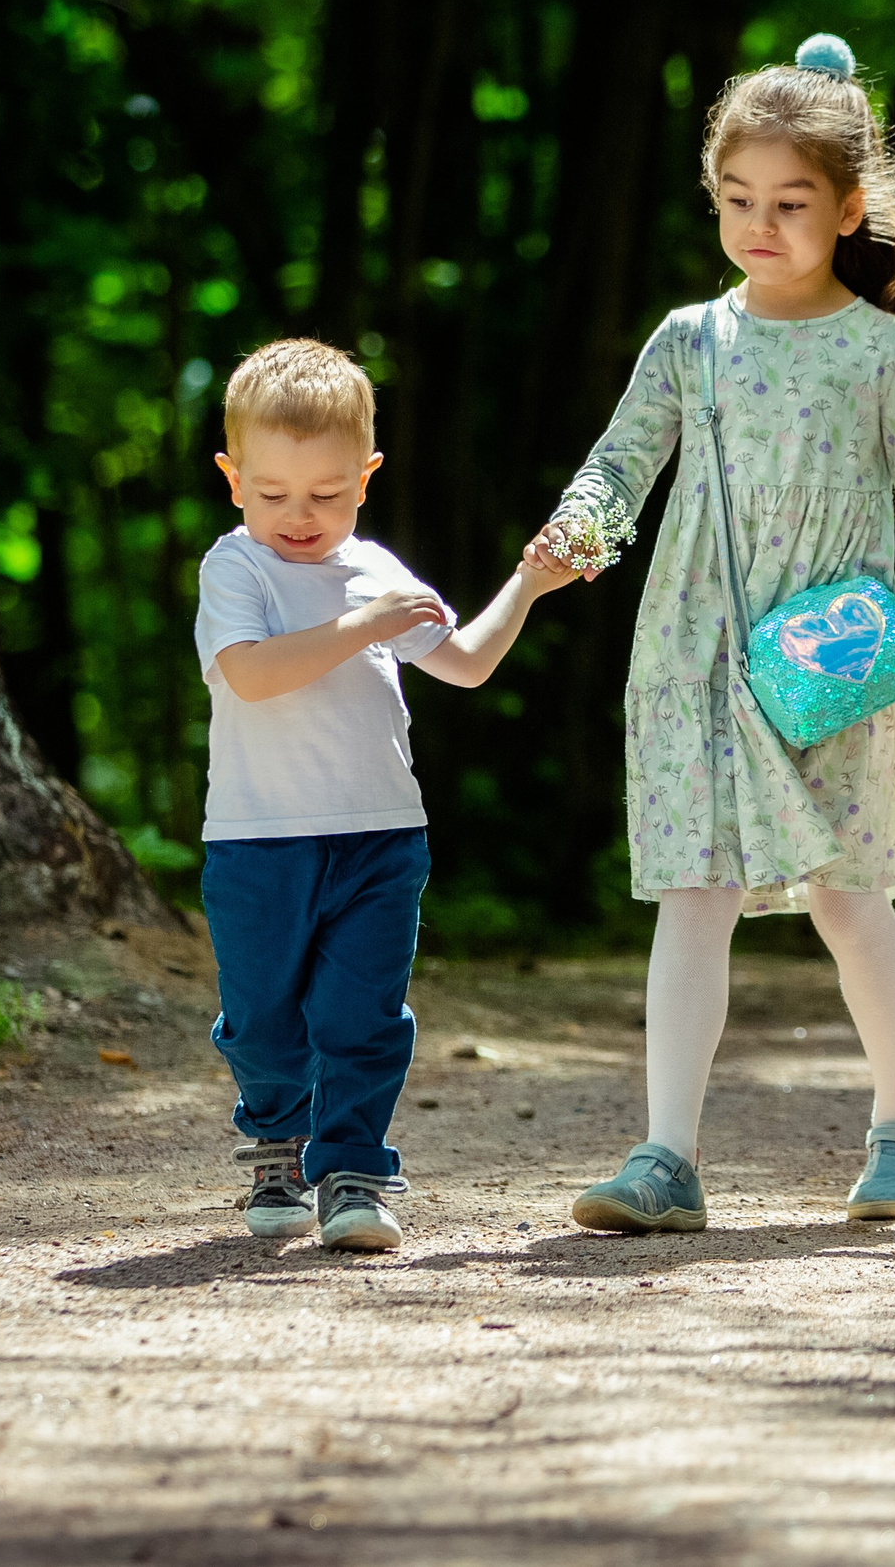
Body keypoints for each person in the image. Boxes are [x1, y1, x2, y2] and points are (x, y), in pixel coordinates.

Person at [524, 33, 895, 1233]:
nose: (760, 222)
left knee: (851, 900)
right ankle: (665, 1157)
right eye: (738, 199)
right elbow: (620, 464)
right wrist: (573, 535)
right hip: (695, 654)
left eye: (791, 203)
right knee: (693, 891)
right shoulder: (690, 340)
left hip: (836, 665)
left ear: (847, 209)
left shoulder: (881, 349)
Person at [197, 339, 571, 1252]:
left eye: (326, 493)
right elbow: (249, 675)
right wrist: (359, 625)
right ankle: (276, 1143)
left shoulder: (380, 571)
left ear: (365, 477)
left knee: (363, 1015)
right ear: (232, 476)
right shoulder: (234, 568)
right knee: (264, 1020)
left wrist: (529, 582)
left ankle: (356, 1175)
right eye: (274, 492)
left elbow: (468, 663)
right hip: (258, 841)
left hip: (381, 837)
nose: (299, 515)